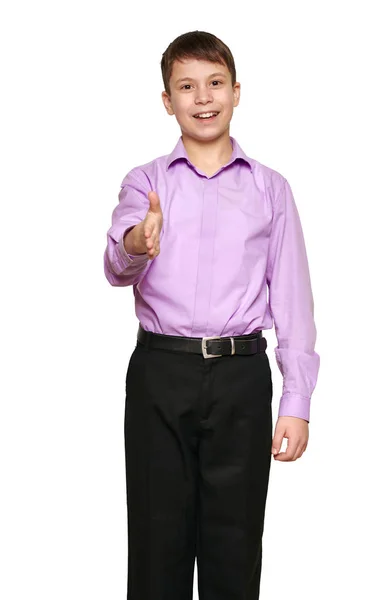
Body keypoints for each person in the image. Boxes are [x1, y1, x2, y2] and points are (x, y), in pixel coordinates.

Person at [103, 30, 320, 600]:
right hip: (160, 374)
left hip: (240, 378)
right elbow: (115, 265)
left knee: (236, 548)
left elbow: (294, 297)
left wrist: (295, 402)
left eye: (215, 83)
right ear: (167, 100)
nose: (203, 97)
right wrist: (137, 242)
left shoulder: (270, 189)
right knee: (157, 545)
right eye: (186, 86)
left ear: (236, 91)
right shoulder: (145, 182)